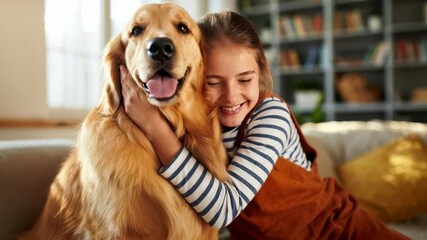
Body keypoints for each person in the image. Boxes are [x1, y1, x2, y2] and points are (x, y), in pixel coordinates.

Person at [120, 10, 409, 240]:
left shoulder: (271, 115)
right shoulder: (198, 127)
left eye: (245, 80)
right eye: (213, 82)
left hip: (342, 232)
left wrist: (154, 126)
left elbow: (223, 209)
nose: (232, 96)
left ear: (260, 73)